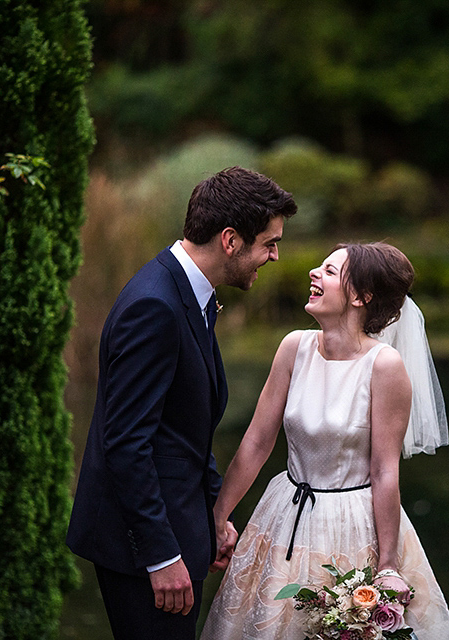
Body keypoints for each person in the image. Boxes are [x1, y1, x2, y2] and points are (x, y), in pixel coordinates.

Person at [66, 167, 297, 640]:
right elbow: (127, 444)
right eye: (269, 243)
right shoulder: (155, 306)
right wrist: (161, 556)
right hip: (146, 557)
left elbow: (180, 434)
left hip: (178, 530)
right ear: (230, 240)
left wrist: (214, 511)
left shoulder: (189, 292)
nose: (274, 256)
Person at [201, 242, 449, 639]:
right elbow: (255, 442)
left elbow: (385, 470)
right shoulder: (294, 347)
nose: (312, 274)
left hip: (353, 521)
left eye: (330, 271)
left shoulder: (384, 366)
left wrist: (387, 565)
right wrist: (217, 517)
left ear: (360, 296)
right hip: (285, 512)